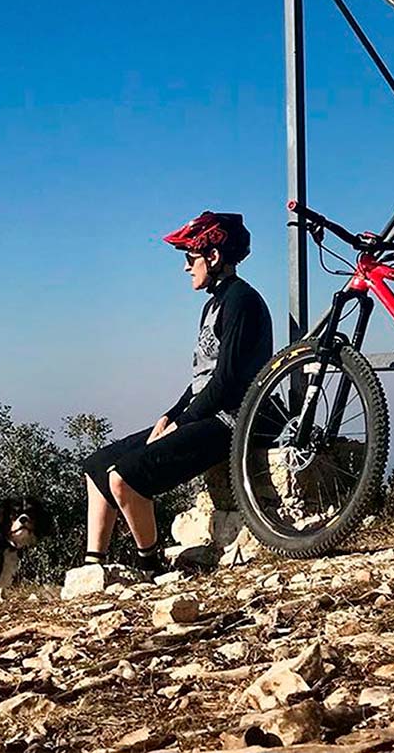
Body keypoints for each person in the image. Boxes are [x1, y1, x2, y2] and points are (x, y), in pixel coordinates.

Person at [82, 211, 273, 579]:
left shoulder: (241, 301)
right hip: (204, 412)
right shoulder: (213, 303)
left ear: (213, 257)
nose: (186, 268)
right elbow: (202, 377)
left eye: (190, 258)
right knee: (96, 466)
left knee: (125, 478)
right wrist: (171, 414)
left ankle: (149, 565)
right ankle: (92, 569)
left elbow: (228, 381)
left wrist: (183, 422)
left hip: (230, 420)